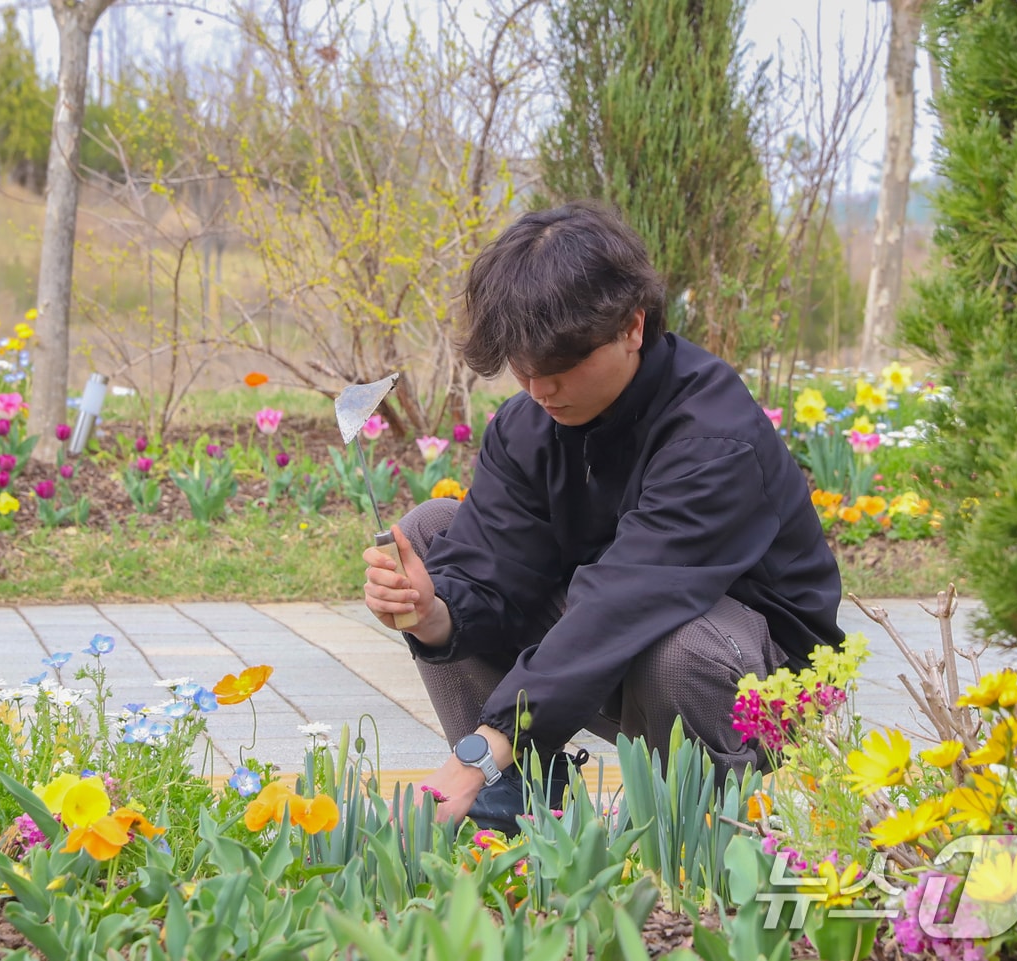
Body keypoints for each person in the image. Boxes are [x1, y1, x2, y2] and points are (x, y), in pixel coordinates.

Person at [362, 201, 844, 832]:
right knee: (433, 533)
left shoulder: (711, 437)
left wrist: (480, 749)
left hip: (755, 680)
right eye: (524, 370)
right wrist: (433, 615)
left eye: (561, 368)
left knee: (678, 645)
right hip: (620, 644)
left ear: (632, 328)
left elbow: (625, 602)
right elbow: (495, 573)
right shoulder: (529, 424)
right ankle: (516, 803)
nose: (540, 391)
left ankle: (702, 831)